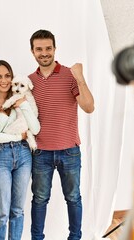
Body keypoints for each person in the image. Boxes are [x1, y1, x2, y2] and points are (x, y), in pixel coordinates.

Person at [28, 29, 94, 240]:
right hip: (40, 153)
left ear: (55, 49)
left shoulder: (70, 75)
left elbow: (89, 107)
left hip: (69, 150)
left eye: (48, 48)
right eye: (39, 49)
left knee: (73, 198)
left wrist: (80, 78)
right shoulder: (29, 81)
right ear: (33, 52)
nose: (44, 53)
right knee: (39, 199)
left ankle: (75, 238)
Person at [0, 60, 40, 240]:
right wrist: (15, 137)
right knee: (2, 211)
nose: (4, 80)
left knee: (18, 210)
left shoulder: (22, 100)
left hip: (23, 155)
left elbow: (35, 129)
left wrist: (23, 104)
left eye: (7, 76)